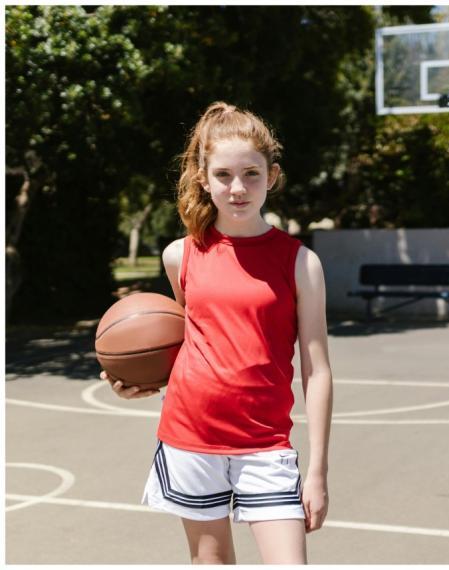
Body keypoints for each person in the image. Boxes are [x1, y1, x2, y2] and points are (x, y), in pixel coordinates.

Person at [100, 101, 333, 564]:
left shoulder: (301, 262)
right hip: (191, 438)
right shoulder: (179, 256)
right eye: (224, 175)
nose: (238, 187)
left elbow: (318, 370)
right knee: (212, 563)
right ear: (204, 179)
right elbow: (190, 341)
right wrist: (142, 381)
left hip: (266, 445)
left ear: (272, 175)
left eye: (251, 173)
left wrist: (319, 471)